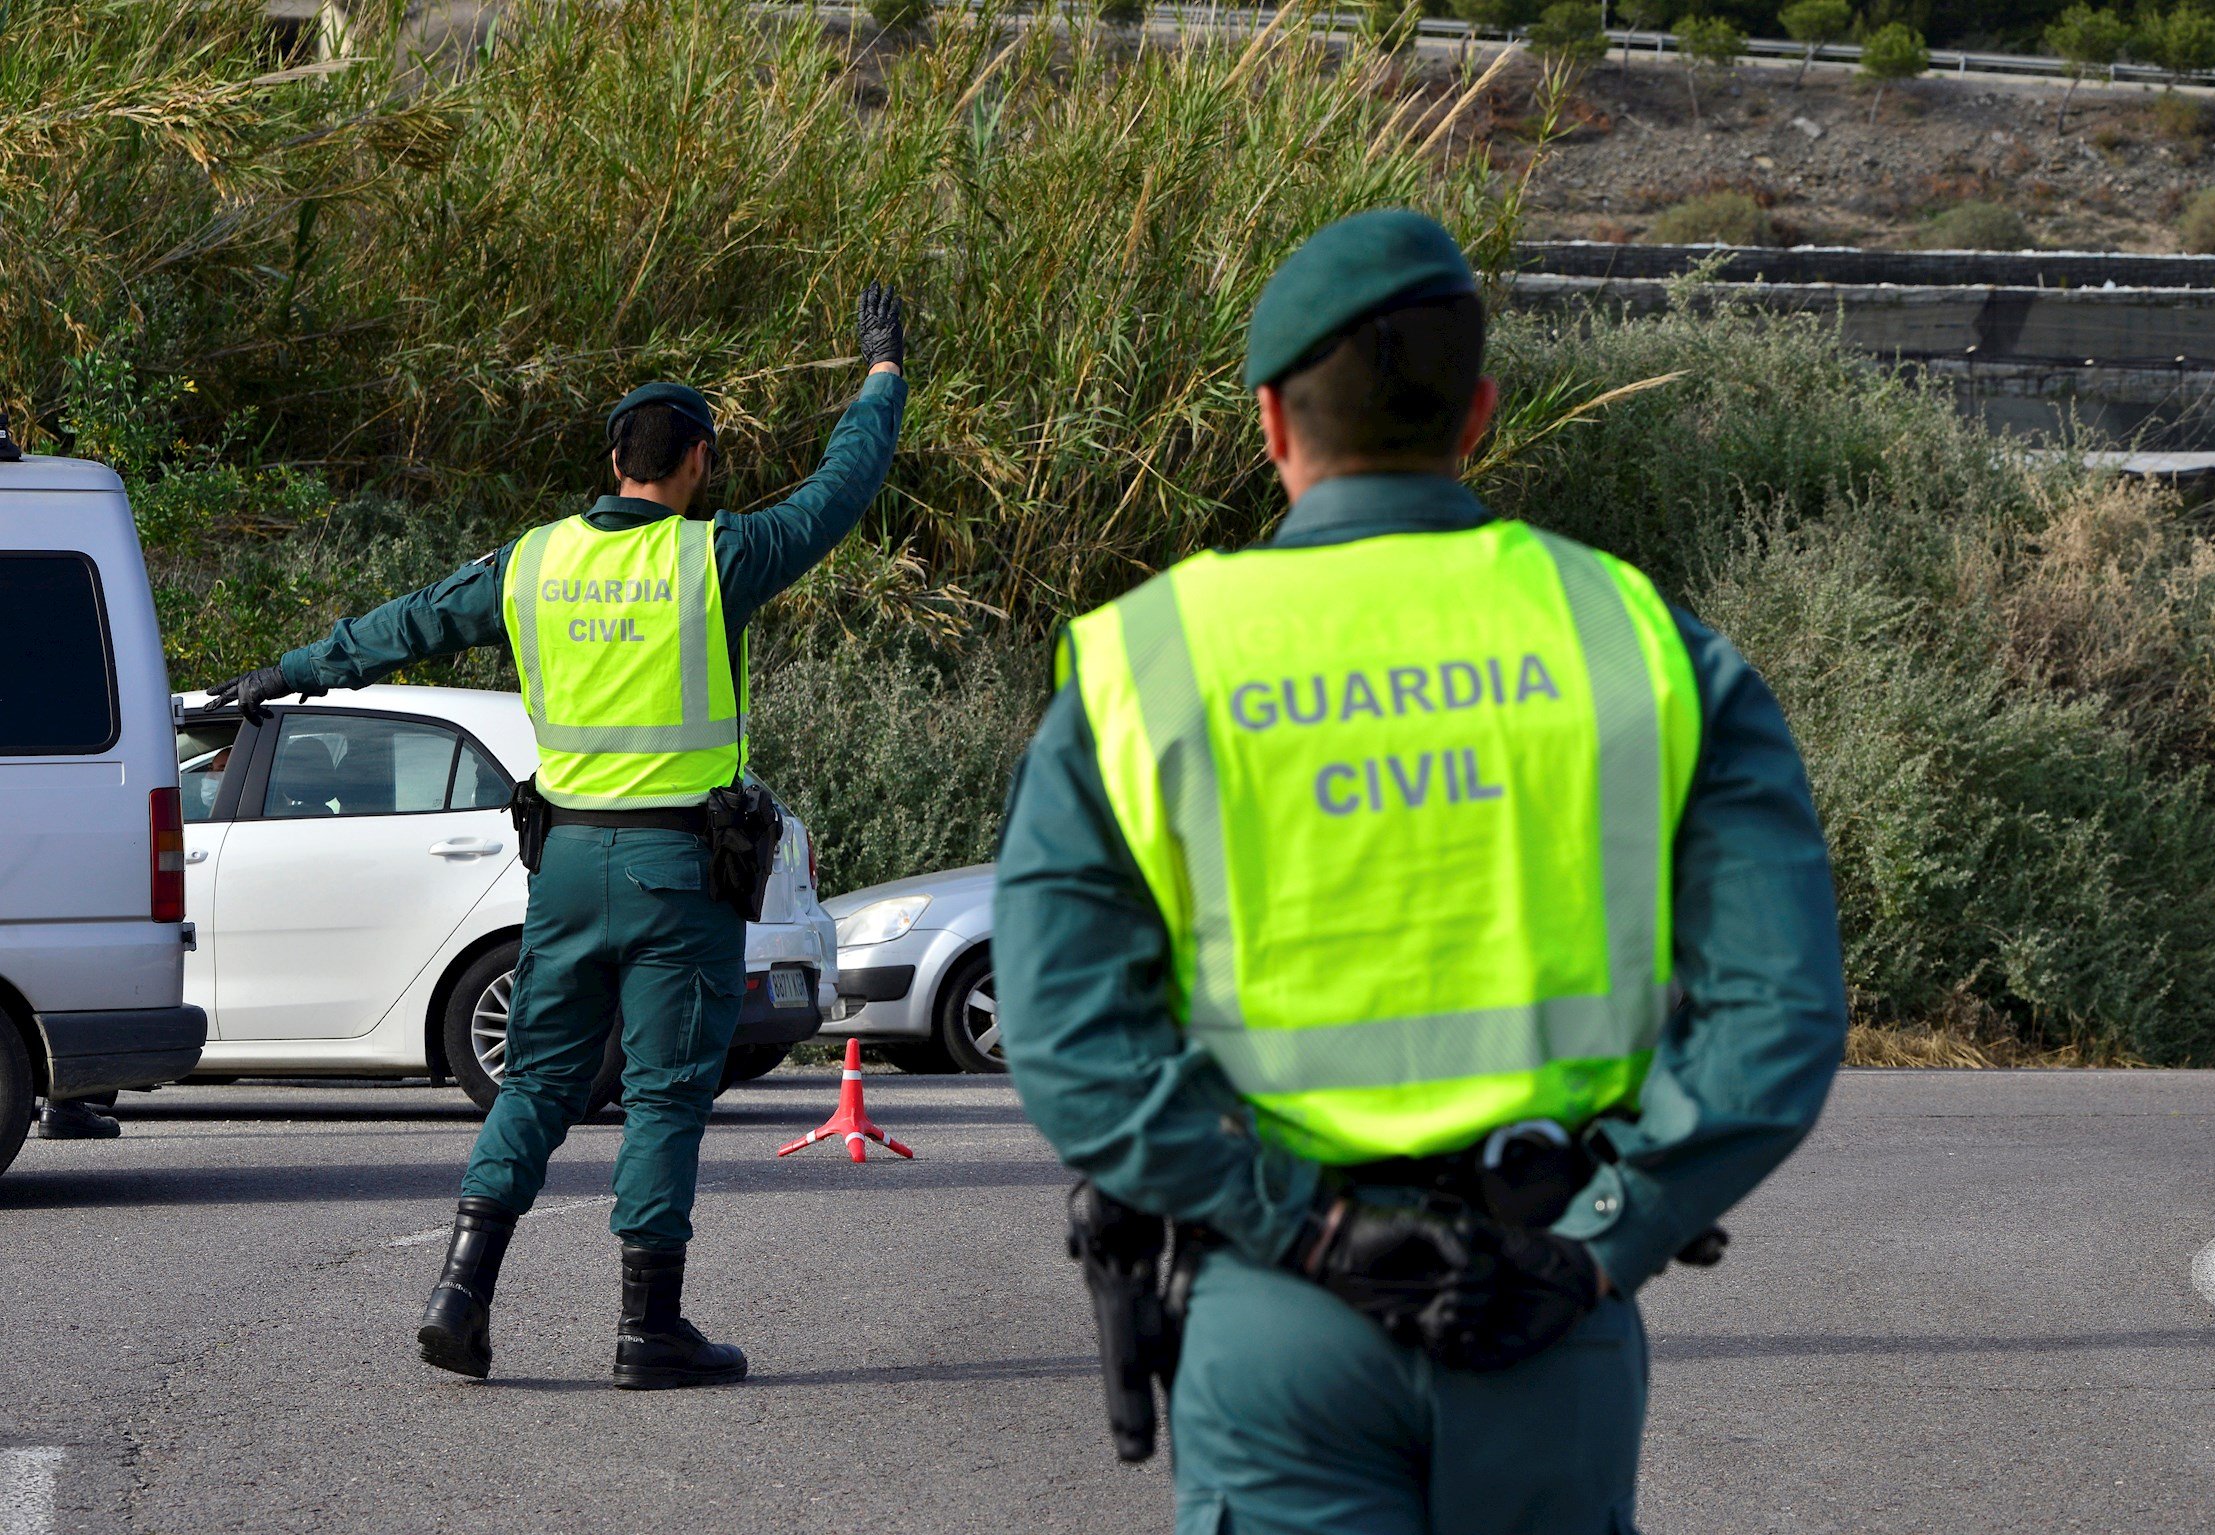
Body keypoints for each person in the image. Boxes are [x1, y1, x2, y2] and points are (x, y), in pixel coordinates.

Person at [994, 211, 1847, 1533]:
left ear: (1273, 422)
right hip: (1547, 1310)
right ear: (1482, 412)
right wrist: (1608, 1239)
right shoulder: (1641, 641)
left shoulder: (1144, 662)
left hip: (1284, 1316)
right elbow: (1780, 1010)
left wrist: (1302, 1227)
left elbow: (1066, 1037)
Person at [208, 286, 908, 1389]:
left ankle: (460, 1291)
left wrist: (286, 672)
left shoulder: (534, 562)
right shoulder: (714, 557)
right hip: (682, 868)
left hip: (568, 866)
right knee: (669, 1088)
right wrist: (879, 377)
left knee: (537, 1079)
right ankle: (647, 1329)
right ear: (698, 462)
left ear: (611, 458)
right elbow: (840, 489)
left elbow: (408, 621)